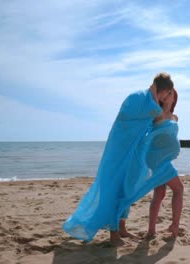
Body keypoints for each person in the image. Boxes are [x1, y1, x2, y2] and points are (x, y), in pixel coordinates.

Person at [63, 73, 175, 246]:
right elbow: (154, 112)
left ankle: (121, 227)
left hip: (132, 150)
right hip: (120, 149)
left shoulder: (147, 99)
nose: (166, 98)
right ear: (161, 89)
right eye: (167, 93)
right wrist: (154, 93)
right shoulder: (137, 97)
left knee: (127, 187)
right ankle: (113, 234)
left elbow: (155, 117)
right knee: (115, 187)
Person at [146, 89, 184, 238]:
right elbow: (152, 93)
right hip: (158, 160)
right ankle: (174, 226)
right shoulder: (157, 114)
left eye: (171, 93)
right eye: (166, 93)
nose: (168, 95)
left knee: (159, 194)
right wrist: (157, 86)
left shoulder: (175, 117)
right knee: (179, 189)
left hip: (165, 160)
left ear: (175, 97)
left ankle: (151, 231)